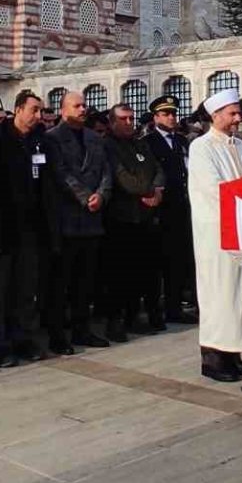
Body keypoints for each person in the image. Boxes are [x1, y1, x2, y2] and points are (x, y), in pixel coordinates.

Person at [186, 87, 242, 383]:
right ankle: (213, 359)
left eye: (238, 113)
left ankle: (234, 354)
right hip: (216, 232)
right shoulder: (201, 147)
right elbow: (212, 189)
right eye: (232, 114)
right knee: (218, 293)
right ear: (215, 116)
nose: (237, 119)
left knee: (240, 293)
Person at [44, 90, 112, 353]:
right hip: (67, 219)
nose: (83, 109)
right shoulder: (52, 138)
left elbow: (105, 171)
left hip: (92, 220)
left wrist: (101, 195)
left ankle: (82, 329)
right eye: (77, 106)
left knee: (85, 281)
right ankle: (57, 335)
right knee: (61, 282)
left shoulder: (94, 138)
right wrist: (85, 197)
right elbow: (60, 173)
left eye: (84, 105)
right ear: (63, 110)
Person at [0, 90, 50, 364]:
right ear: (18, 109)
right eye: (33, 110)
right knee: (0, 292)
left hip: (31, 227)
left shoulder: (40, 140)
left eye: (40, 111)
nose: (38, 116)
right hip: (3, 228)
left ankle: (24, 339)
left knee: (26, 289)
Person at [104, 103, 165, 341]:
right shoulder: (108, 146)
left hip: (144, 217)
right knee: (119, 274)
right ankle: (115, 321)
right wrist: (147, 191)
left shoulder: (140, 144)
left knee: (142, 271)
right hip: (120, 217)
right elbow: (122, 178)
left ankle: (134, 316)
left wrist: (157, 190)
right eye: (123, 119)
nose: (129, 123)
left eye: (131, 118)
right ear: (112, 122)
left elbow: (157, 169)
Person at [143, 96, 197, 324]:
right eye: (165, 114)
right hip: (161, 209)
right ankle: (155, 309)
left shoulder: (182, 141)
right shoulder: (149, 142)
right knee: (159, 261)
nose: (171, 118)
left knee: (178, 259)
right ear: (155, 117)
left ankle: (175, 307)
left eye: (173, 113)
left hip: (182, 207)